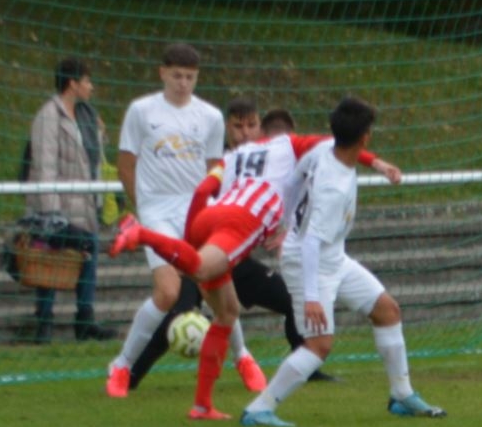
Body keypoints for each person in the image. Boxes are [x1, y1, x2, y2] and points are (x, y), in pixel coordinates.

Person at [110, 101, 403, 419]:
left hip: (209, 214)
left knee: (226, 312)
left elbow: (202, 191)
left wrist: (193, 239)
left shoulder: (234, 155)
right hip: (244, 219)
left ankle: (202, 405)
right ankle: (140, 233)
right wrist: (377, 162)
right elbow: (337, 146)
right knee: (202, 268)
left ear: (260, 130)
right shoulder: (290, 145)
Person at [241, 96, 445, 427]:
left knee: (387, 310)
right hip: (309, 262)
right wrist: (311, 296)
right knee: (319, 345)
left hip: (332, 256)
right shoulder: (332, 189)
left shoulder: (324, 149)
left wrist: (285, 223)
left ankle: (402, 395)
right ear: (365, 136)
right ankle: (259, 409)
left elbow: (291, 182)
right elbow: (311, 243)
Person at [126, 105, 338, 390]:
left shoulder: (272, 162)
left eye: (251, 126)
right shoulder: (222, 162)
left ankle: (305, 368)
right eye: (238, 127)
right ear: (227, 129)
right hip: (205, 252)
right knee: (180, 316)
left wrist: (284, 229)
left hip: (237, 260)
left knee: (290, 302)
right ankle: (129, 377)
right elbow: (202, 196)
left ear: (260, 130)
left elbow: (293, 199)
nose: (245, 133)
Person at [105, 43, 267, 399]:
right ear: (162, 73)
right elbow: (126, 164)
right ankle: (122, 365)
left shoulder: (209, 116)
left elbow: (215, 170)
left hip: (197, 212)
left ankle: (242, 356)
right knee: (168, 292)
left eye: (190, 77)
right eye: (177, 75)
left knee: (220, 294)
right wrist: (143, 210)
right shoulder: (142, 111)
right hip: (157, 212)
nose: (183, 83)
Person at [25, 57, 116, 343]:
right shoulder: (48, 116)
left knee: (89, 254)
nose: (91, 86)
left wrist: (100, 133)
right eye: (87, 81)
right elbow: (44, 166)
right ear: (72, 84)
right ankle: (44, 322)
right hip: (58, 207)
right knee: (49, 259)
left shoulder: (86, 115)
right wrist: (51, 212)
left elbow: (92, 159)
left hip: (84, 205)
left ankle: (84, 320)